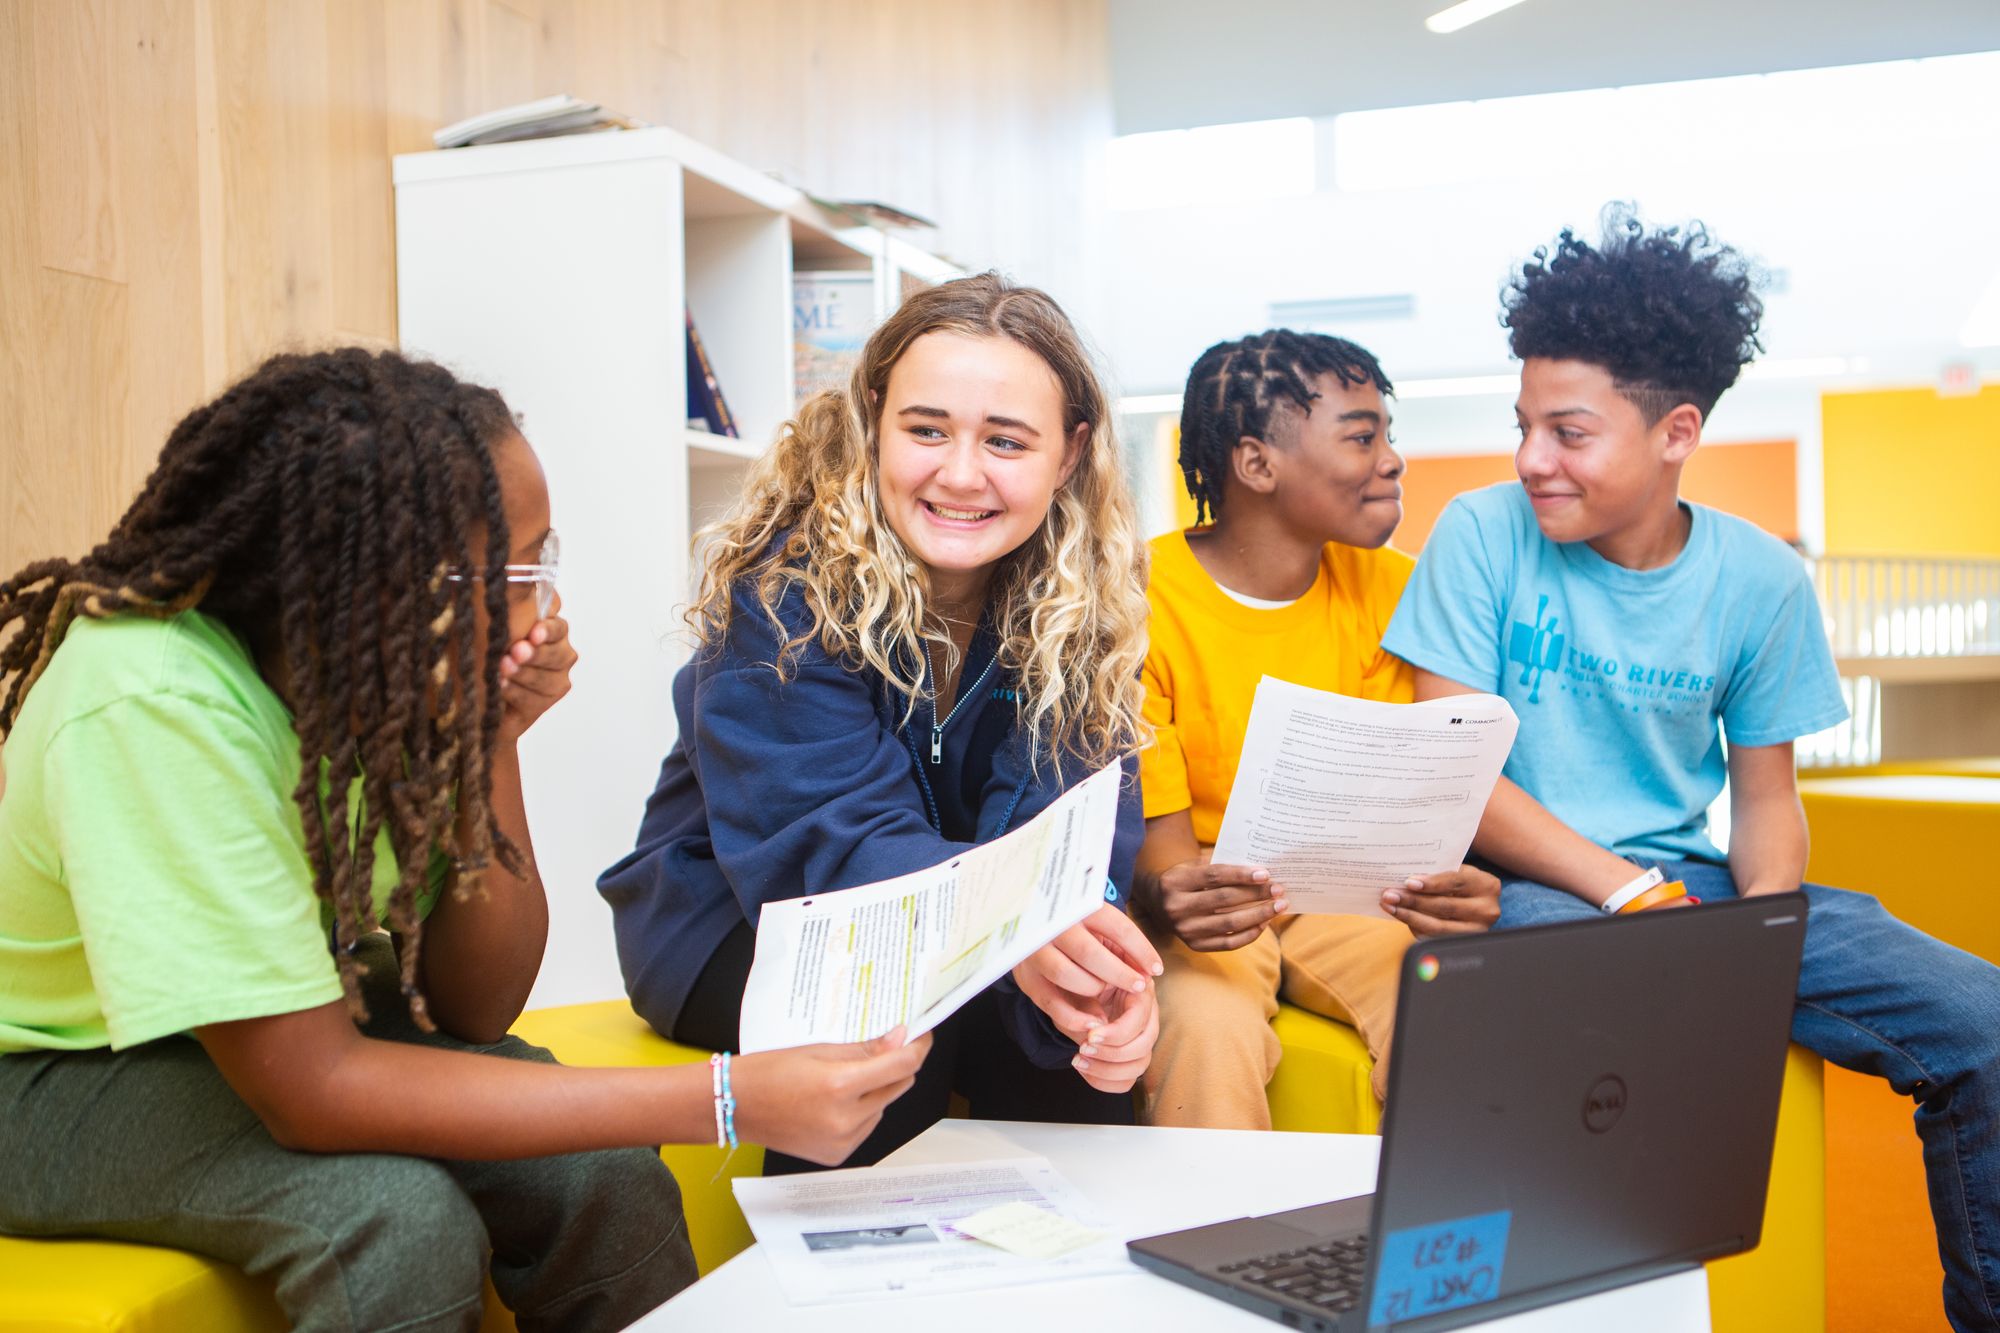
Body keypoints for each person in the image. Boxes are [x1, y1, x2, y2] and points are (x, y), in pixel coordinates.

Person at [0, 348, 929, 1332]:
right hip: (60, 1073)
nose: (541, 612)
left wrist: (487, 740)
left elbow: (475, 1004)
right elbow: (313, 1088)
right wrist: (725, 1098)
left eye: (540, 564)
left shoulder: (372, 677)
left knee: (601, 1174)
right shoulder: (151, 697)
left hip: (279, 1030)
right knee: (397, 1223)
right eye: (507, 574)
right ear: (362, 578)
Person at [1381, 208, 2000, 1332]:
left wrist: (1759, 933)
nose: (1530, 459)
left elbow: (1765, 796)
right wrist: (1623, 891)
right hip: (1539, 891)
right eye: (1522, 424)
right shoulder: (1477, 534)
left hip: (1691, 889)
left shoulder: (1758, 581)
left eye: (1567, 432)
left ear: (1673, 431)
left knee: (1985, 1024)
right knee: (1591, 1027)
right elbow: (1458, 767)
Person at [600, 274, 1162, 1172]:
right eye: (926, 428)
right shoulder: (780, 597)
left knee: (1065, 1051)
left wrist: (1094, 982)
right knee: (888, 1017)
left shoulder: (1082, 613)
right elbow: (831, 845)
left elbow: (1071, 840)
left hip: (971, 921)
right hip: (737, 919)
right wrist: (1021, 929)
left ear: (1068, 456)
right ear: (873, 420)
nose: (960, 472)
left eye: (1006, 441)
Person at [1131, 330, 1500, 1129]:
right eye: (1363, 436)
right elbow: (1162, 861)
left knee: (1461, 995)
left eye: (1388, 434)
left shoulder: (1399, 588)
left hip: (1354, 898)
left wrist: (1455, 883)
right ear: (1258, 465)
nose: (1393, 458)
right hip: (1215, 903)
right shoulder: (1140, 602)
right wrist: (1175, 897)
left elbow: (1427, 801)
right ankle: (1226, 1249)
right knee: (1205, 1026)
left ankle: (1447, 1245)